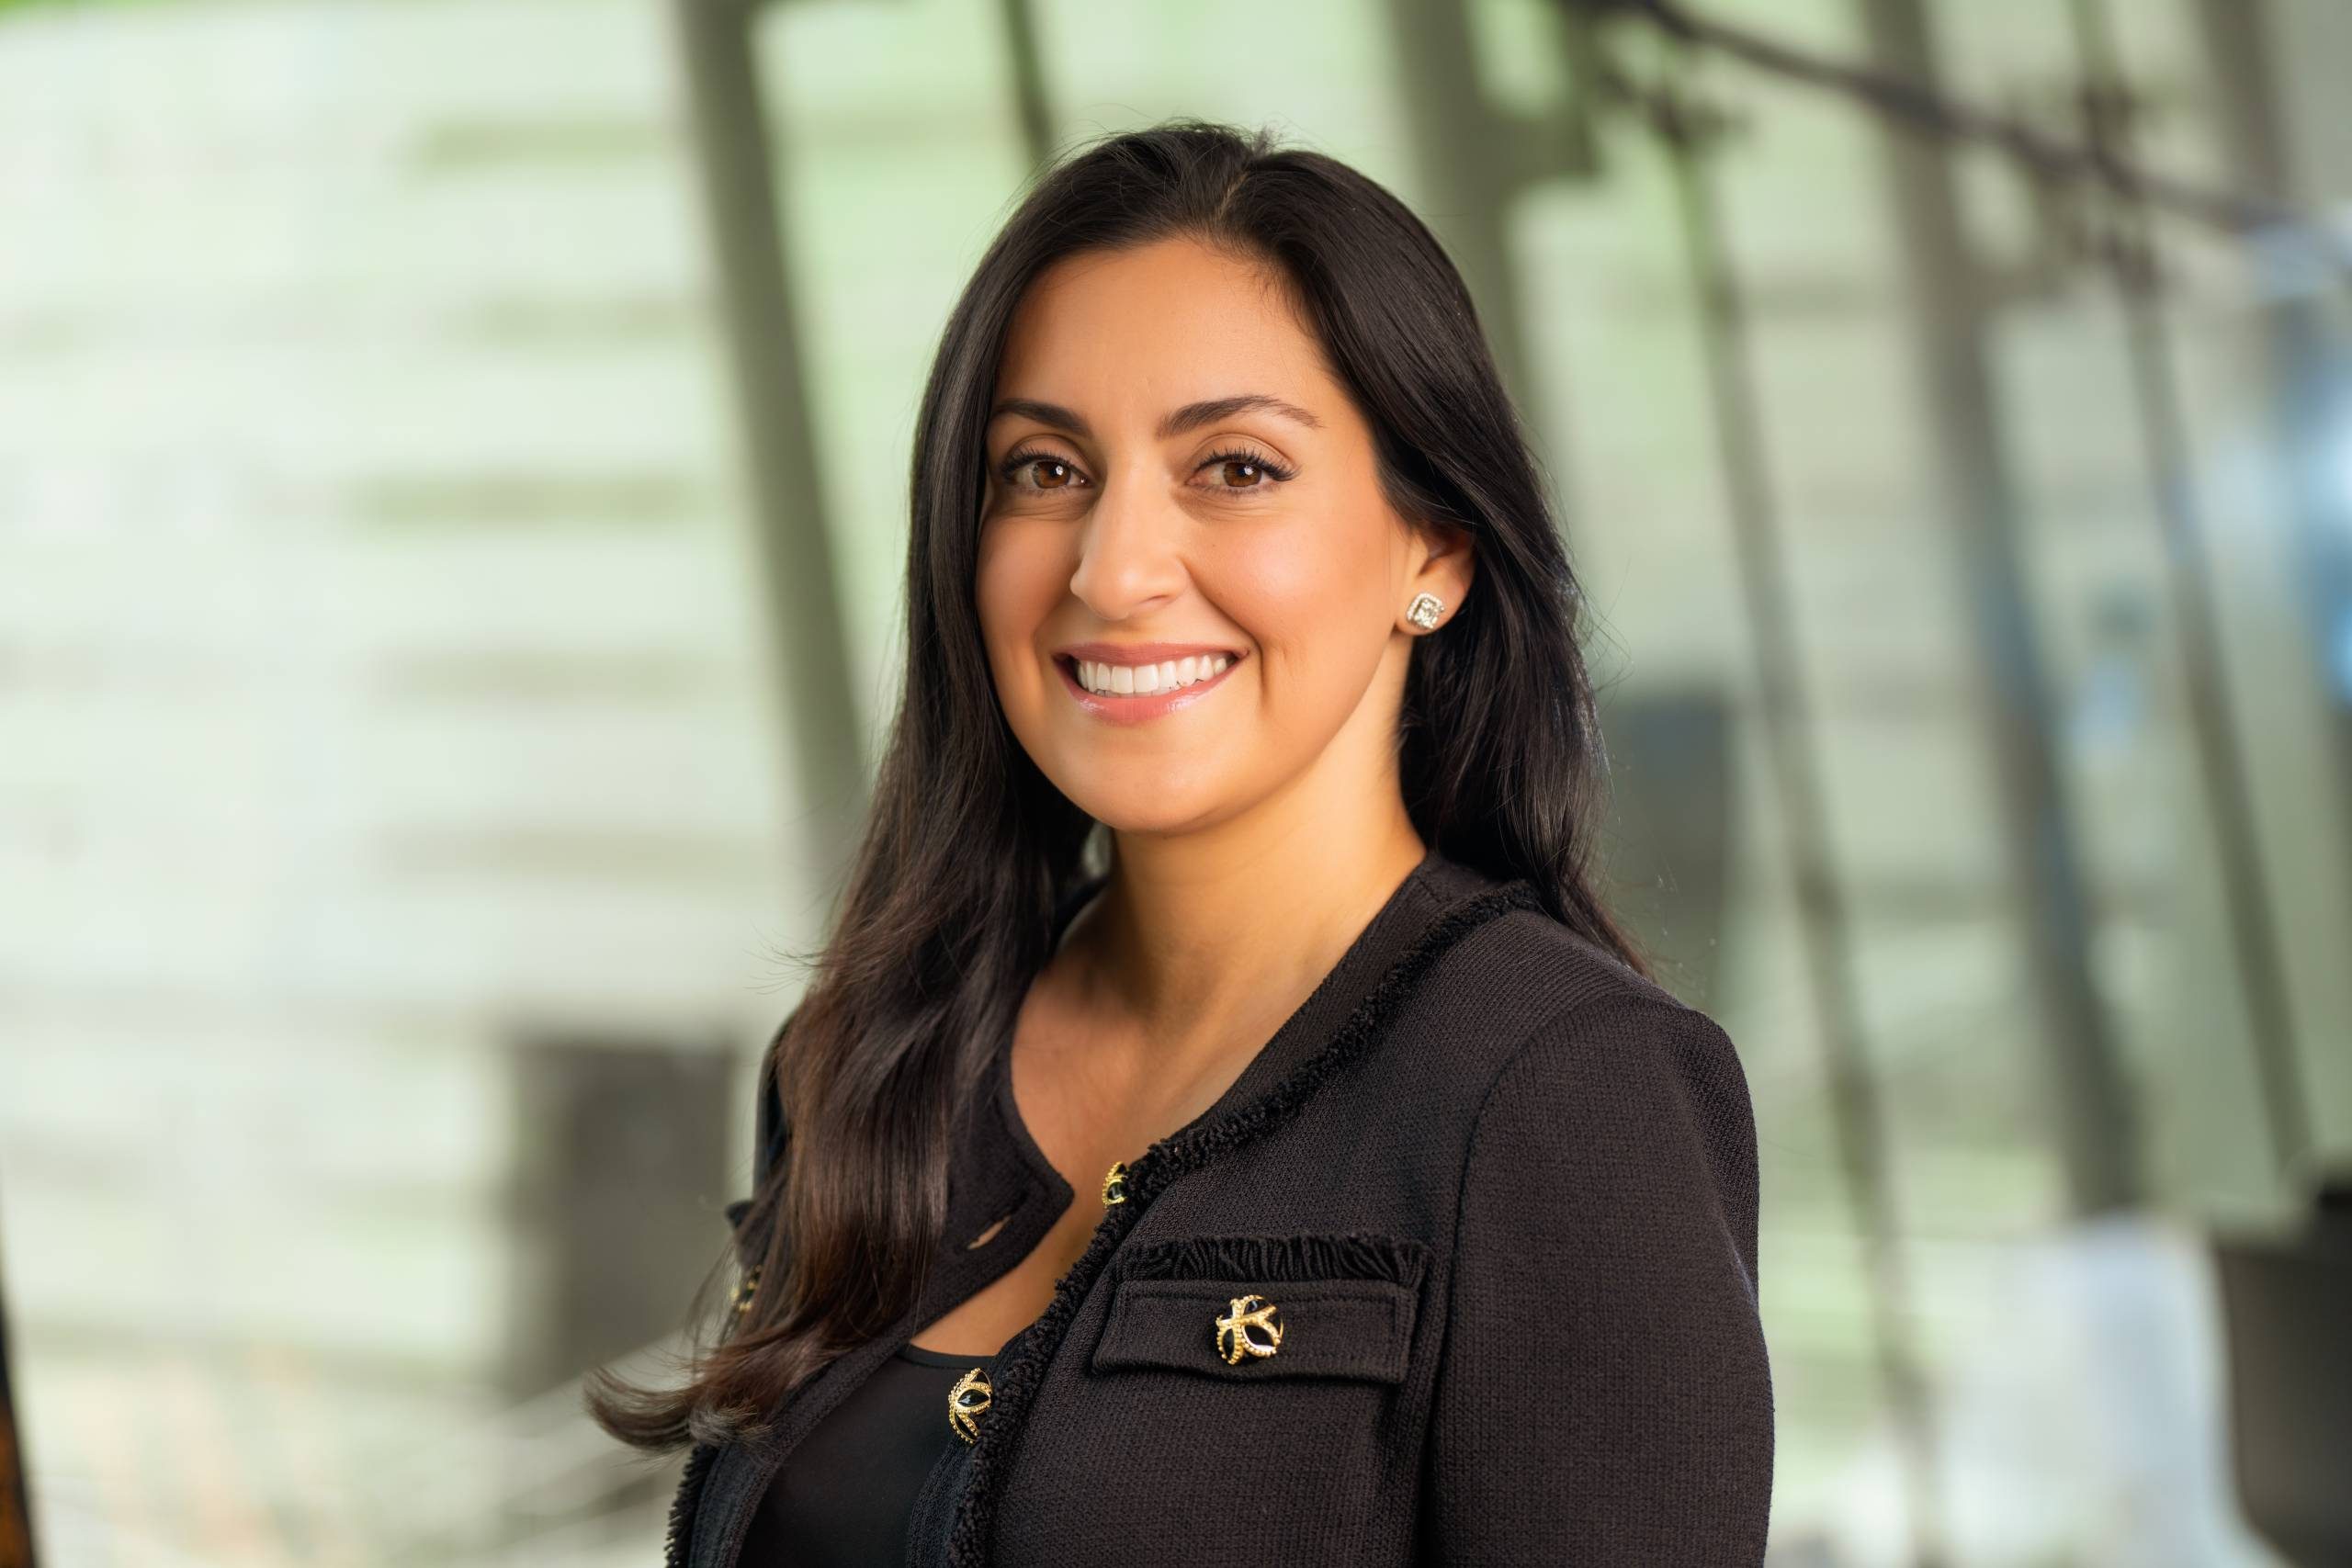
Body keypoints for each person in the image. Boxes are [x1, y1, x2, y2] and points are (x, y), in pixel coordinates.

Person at [589, 117, 1773, 1568]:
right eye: (1041, 469)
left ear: (1435, 554)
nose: (1112, 568)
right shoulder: (872, 1060)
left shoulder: (1561, 1094)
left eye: (1236, 467)